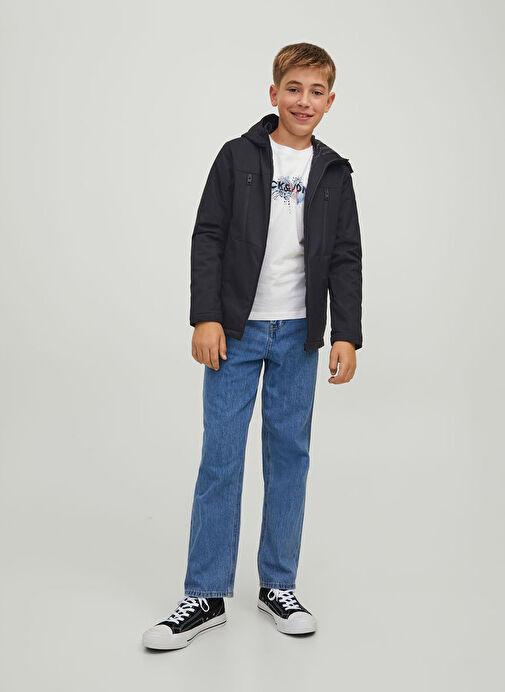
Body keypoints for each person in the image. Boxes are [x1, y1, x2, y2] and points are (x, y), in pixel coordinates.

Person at [142, 41, 363, 650]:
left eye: (316, 92)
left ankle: (277, 585)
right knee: (221, 458)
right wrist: (206, 317)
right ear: (273, 94)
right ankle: (205, 594)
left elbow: (346, 256)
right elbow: (208, 236)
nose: (303, 101)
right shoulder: (238, 156)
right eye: (293, 88)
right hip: (236, 332)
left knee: (289, 457)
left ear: (330, 101)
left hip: (298, 335)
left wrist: (346, 332)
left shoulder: (334, 171)